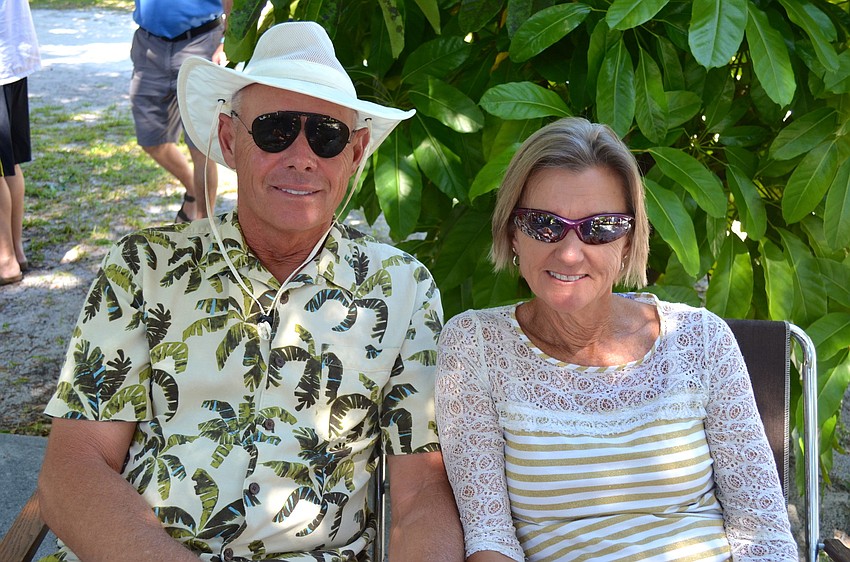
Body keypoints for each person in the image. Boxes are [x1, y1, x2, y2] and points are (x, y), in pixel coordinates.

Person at [37, 21, 463, 562]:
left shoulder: (403, 288)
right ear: (227, 138)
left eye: (327, 136)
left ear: (355, 153)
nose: (302, 156)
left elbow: (422, 491)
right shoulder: (143, 265)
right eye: (274, 130)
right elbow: (74, 467)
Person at [434, 117, 798, 561]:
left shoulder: (700, 339)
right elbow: (489, 536)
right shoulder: (474, 346)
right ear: (512, 233)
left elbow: (762, 529)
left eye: (600, 227)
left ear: (628, 241)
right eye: (543, 224)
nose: (570, 252)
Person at [130, 0, 230, 223]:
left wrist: (226, 39)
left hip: (201, 41)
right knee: (151, 139)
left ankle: (204, 227)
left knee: (200, 146)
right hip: (148, 44)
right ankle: (192, 191)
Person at [0, 0, 41, 286]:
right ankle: (15, 252)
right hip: (11, 54)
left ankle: (5, 261)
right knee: (9, 162)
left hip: (5, 56)